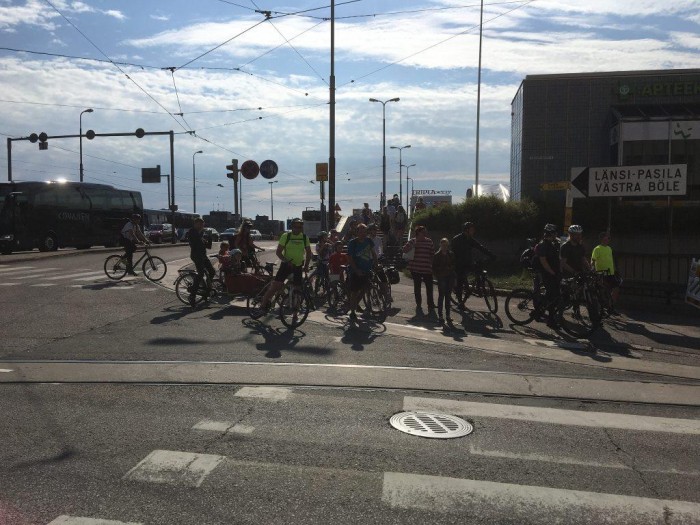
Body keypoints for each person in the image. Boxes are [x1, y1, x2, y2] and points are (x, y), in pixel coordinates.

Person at [261, 218, 313, 310]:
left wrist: (306, 266)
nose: (297, 229)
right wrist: (286, 261)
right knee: (275, 286)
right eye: (295, 227)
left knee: (297, 290)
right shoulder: (286, 236)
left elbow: (309, 253)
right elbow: (278, 252)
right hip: (286, 265)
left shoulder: (305, 238)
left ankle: (295, 312)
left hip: (298, 266)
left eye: (300, 227)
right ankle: (263, 305)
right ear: (292, 227)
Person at [450, 221, 494, 310]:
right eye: (471, 229)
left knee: (478, 269)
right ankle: (460, 303)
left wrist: (491, 254)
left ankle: (478, 287)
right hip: (459, 264)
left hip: (468, 262)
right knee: (460, 281)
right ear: (466, 230)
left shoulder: (470, 239)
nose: (473, 231)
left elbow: (480, 247)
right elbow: (452, 253)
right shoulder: (456, 239)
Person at [346, 223, 377, 321]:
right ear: (357, 232)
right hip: (356, 271)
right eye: (361, 232)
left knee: (365, 289)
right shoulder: (353, 243)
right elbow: (350, 258)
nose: (363, 234)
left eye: (364, 232)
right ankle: (352, 312)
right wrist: (356, 270)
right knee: (354, 292)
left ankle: (355, 305)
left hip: (367, 269)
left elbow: (374, 253)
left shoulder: (369, 241)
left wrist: (376, 264)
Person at [534, 223, 562, 329]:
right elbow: (544, 261)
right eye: (555, 233)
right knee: (552, 296)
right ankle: (550, 320)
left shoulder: (553, 244)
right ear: (551, 233)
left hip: (554, 274)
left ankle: (538, 312)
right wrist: (552, 272)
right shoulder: (543, 245)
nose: (556, 234)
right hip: (547, 274)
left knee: (553, 296)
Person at [403, 225, 435, 313]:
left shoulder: (429, 241)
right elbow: (404, 250)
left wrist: (432, 265)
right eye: (423, 232)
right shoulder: (413, 241)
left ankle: (430, 304)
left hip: (427, 269)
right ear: (418, 232)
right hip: (415, 269)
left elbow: (432, 254)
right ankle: (419, 304)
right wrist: (413, 245)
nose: (425, 233)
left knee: (429, 288)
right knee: (417, 288)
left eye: (425, 231)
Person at [591, 231, 620, 312]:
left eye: (608, 238)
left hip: (610, 273)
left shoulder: (609, 248)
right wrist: (593, 269)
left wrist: (615, 269)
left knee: (616, 289)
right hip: (601, 273)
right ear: (602, 239)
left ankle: (611, 306)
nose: (608, 240)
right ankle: (602, 308)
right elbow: (593, 260)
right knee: (602, 291)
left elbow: (610, 260)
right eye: (607, 238)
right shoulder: (597, 249)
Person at [189, 217, 215, 307]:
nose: (201, 226)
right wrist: (201, 235)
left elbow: (209, 246)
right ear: (195, 224)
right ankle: (192, 295)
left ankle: (206, 289)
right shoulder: (192, 232)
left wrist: (210, 237)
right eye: (199, 224)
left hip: (203, 256)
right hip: (196, 256)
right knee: (200, 274)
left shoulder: (201, 234)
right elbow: (195, 243)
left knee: (212, 271)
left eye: (202, 225)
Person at [433, 237, 456, 325]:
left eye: (446, 245)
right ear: (440, 245)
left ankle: (448, 315)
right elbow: (434, 267)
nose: (444, 247)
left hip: (449, 277)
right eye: (443, 245)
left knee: (448, 296)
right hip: (441, 277)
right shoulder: (437, 255)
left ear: (448, 245)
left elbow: (454, 265)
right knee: (441, 296)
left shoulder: (451, 254)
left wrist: (450, 269)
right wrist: (438, 274)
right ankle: (440, 315)